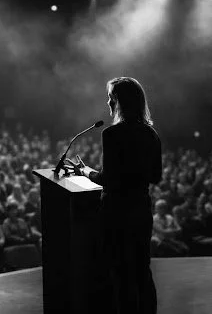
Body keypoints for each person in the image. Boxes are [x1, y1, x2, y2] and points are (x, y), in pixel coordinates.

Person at [68, 77, 160, 314]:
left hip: (116, 213)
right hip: (141, 210)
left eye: (110, 97)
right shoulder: (151, 135)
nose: (107, 101)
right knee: (142, 270)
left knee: (119, 272)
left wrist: (84, 170)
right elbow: (156, 176)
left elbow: (106, 179)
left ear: (119, 101)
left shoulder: (112, 134)